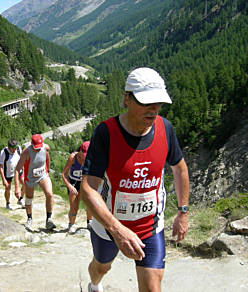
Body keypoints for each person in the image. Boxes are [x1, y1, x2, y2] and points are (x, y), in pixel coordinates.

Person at [81, 67, 190, 292]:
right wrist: (117, 229)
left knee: (152, 287)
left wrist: (183, 211)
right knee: (101, 267)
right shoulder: (106, 133)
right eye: (146, 102)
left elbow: (180, 170)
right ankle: (93, 285)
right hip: (109, 225)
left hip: (150, 226)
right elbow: (88, 189)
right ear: (126, 99)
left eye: (158, 103)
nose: (154, 110)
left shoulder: (165, 129)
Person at [14, 134, 56, 231]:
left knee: (49, 194)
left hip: (43, 175)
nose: (38, 150)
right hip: (30, 178)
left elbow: (47, 157)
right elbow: (17, 169)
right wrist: (17, 187)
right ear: (31, 145)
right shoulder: (26, 152)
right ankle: (29, 218)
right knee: (29, 199)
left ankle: (49, 219)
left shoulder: (45, 148)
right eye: (36, 148)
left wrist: (48, 170)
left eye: (39, 148)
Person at [62, 141, 93, 234]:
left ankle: (89, 223)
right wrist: (70, 186)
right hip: (73, 183)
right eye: (83, 155)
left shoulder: (92, 157)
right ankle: (71, 225)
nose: (84, 157)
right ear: (80, 151)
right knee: (74, 206)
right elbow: (64, 174)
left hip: (85, 182)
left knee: (90, 203)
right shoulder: (72, 158)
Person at [0, 138, 25, 210]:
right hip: (8, 172)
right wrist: (3, 179)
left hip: (19, 170)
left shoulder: (18, 149)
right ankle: (8, 203)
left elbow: (22, 159)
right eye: (13, 149)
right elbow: (0, 166)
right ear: (9, 147)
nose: (15, 150)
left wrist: (24, 169)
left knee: (25, 183)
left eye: (16, 148)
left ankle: (20, 199)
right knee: (8, 189)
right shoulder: (3, 152)